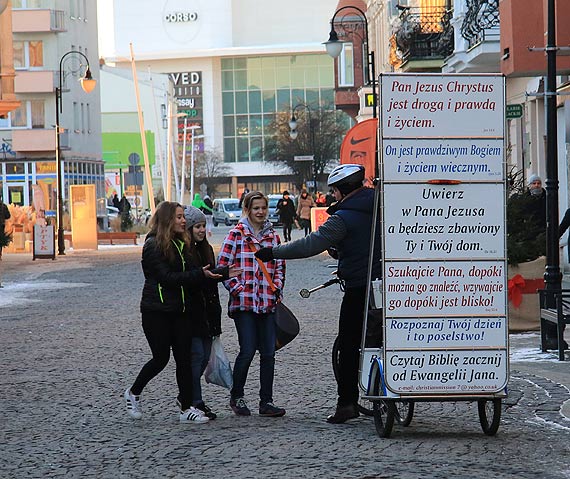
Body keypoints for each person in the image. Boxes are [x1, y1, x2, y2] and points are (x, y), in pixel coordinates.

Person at [255, 164, 382, 424]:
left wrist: (273, 253)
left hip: (360, 287)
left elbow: (311, 244)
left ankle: (346, 403)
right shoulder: (381, 205)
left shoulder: (343, 217)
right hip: (391, 287)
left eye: (334, 191)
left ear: (341, 190)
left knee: (348, 346)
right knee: (383, 340)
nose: (333, 196)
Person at [124, 201, 230, 424]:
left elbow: (196, 273)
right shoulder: (153, 245)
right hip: (157, 311)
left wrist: (223, 273)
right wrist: (200, 275)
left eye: (183, 217)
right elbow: (168, 278)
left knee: (184, 359)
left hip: (181, 311)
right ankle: (133, 392)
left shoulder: (181, 243)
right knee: (161, 358)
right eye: (179, 217)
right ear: (167, 220)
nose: (184, 221)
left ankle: (186, 408)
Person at [218, 191, 287, 418]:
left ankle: (266, 401)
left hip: (267, 302)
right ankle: (237, 396)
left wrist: (276, 287)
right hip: (244, 304)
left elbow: (279, 266)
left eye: (263, 208)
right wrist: (238, 289)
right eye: (255, 208)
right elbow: (223, 267)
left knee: (268, 353)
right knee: (247, 351)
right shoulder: (236, 235)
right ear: (247, 209)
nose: (260, 212)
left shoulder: (273, 237)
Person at [184, 206, 241, 420]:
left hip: (209, 312)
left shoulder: (206, 249)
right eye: (196, 226)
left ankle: (189, 395)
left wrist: (223, 273)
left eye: (202, 226)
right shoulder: (185, 251)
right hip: (193, 313)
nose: (201, 230)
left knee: (204, 357)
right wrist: (214, 274)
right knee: (196, 356)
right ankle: (194, 401)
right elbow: (191, 278)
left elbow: (210, 276)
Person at [0, 196, 11, 261]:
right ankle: (0, 253)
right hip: (1, 225)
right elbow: (8, 216)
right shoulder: (3, 206)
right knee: (1, 240)